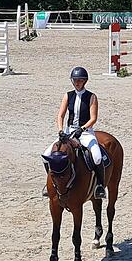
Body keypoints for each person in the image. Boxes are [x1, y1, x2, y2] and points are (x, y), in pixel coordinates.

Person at [41, 67, 106, 199]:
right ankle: (51, 183)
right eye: (75, 80)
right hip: (68, 131)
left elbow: (93, 118)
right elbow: (60, 115)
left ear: (85, 81)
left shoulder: (91, 97)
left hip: (86, 132)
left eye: (80, 80)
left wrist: (82, 129)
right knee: (47, 154)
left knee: (97, 156)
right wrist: (60, 130)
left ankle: (99, 186)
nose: (77, 82)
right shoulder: (68, 95)